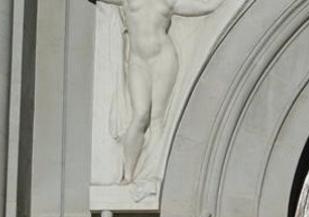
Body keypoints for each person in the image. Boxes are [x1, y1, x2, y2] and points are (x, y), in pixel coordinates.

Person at [90, 0, 224, 183]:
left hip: (164, 59)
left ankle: (155, 173)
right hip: (139, 62)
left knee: (158, 120)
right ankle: (128, 174)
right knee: (140, 115)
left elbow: (204, 6)